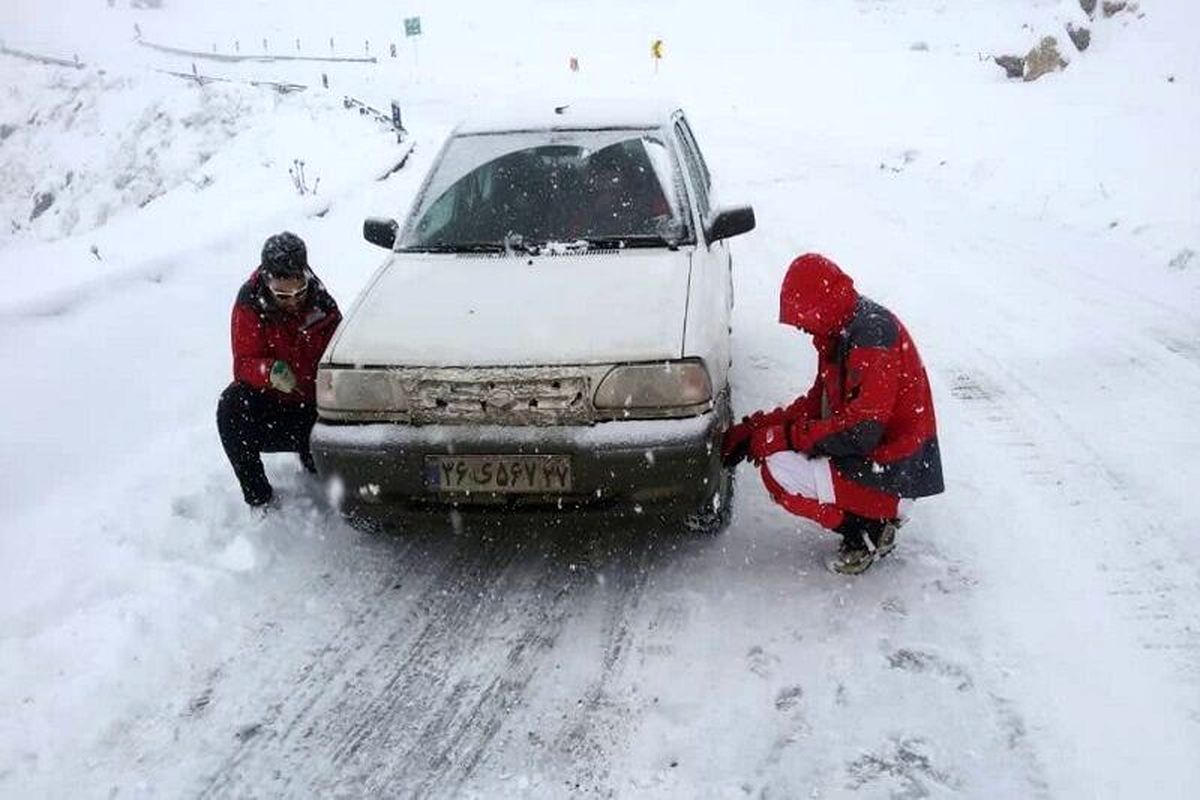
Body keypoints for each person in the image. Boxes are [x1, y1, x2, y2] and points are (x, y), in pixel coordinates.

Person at [722, 253, 944, 574]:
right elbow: (816, 406)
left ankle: (868, 530)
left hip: (893, 472)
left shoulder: (871, 336)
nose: (801, 329)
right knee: (782, 452)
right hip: (879, 462)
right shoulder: (842, 332)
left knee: (779, 469)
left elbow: (861, 430)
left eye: (802, 320)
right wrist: (756, 427)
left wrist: (783, 437)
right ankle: (869, 521)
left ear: (819, 306)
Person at [216, 232, 341, 508]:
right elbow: (243, 363)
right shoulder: (250, 305)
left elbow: (339, 357)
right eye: (282, 294)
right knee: (231, 407)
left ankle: (319, 470)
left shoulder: (323, 305)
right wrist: (268, 371)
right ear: (267, 279)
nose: (293, 300)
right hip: (274, 406)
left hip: (315, 410)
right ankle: (259, 499)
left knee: (324, 467)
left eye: (299, 291)